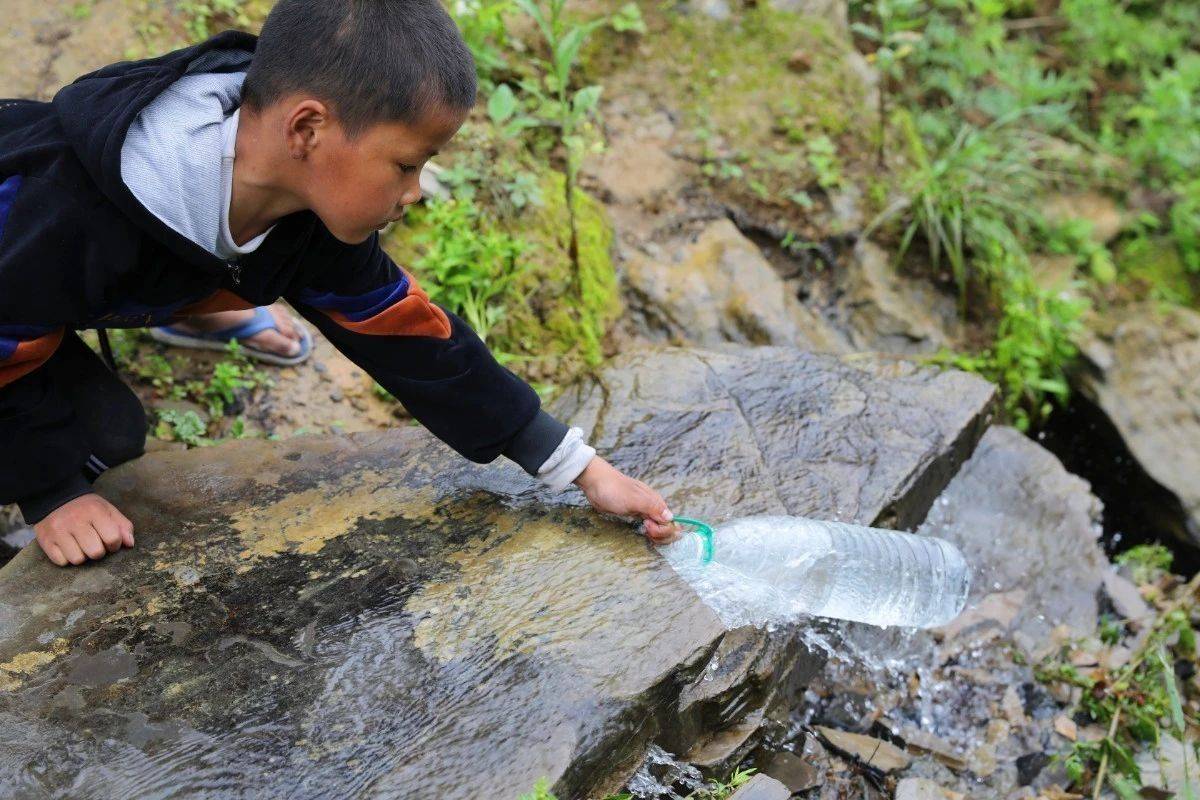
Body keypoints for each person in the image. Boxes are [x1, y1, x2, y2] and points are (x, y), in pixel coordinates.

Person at [0, 0, 678, 567]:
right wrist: (52, 492)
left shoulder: (306, 205)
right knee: (93, 446)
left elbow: (409, 337)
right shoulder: (66, 213)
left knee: (115, 437)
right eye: (406, 166)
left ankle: (194, 303)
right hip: (12, 286)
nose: (414, 192)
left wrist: (578, 468)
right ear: (308, 128)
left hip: (123, 266)